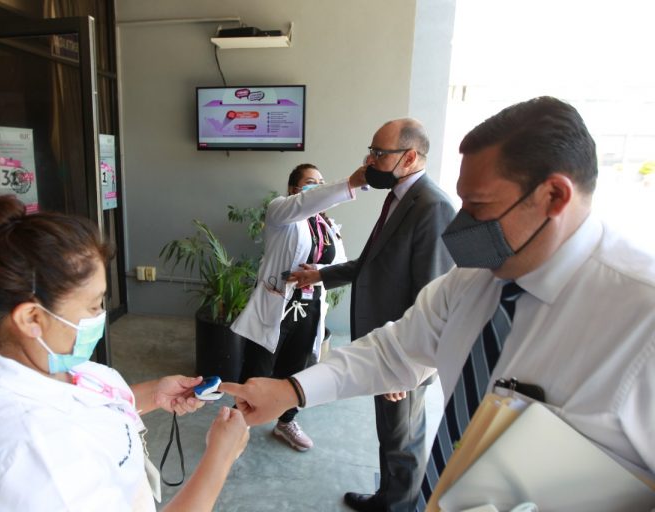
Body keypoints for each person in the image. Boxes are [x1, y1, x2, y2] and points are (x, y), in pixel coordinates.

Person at [221, 97, 655, 505]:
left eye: (478, 205)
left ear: (553, 197)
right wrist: (292, 389)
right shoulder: (473, 280)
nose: (460, 223)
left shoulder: (642, 321)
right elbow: (394, 349)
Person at [0, 195, 249, 511]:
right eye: (93, 305)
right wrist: (220, 456)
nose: (100, 315)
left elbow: (75, 401)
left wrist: (151, 395)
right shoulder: (35, 460)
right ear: (32, 318)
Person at [290, 119, 455, 511]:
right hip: (386, 347)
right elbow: (373, 262)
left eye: (379, 154)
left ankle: (398, 505)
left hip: (405, 352)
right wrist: (321, 274)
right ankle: (388, 497)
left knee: (403, 438)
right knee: (390, 431)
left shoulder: (434, 207)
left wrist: (408, 364)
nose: (369, 161)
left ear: (410, 157)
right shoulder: (400, 196)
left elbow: (431, 298)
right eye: (372, 151)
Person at [231, 163, 366, 451]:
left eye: (321, 182)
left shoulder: (328, 227)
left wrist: (315, 270)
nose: (317, 186)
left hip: (310, 306)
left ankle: (286, 421)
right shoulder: (281, 211)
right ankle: (236, 422)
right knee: (258, 368)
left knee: (297, 369)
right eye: (310, 182)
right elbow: (307, 203)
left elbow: (339, 265)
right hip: (277, 303)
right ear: (294, 189)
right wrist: (350, 182)